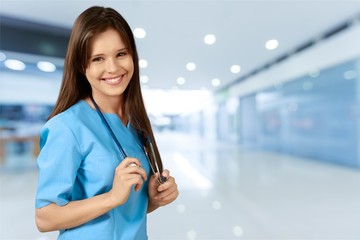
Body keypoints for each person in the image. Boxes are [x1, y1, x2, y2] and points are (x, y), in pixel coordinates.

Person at [35, 6, 179, 240]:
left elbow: (123, 211)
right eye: (98, 58)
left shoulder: (137, 123)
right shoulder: (66, 127)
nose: (113, 68)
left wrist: (152, 200)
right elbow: (44, 217)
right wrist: (112, 196)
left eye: (121, 54)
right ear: (83, 66)